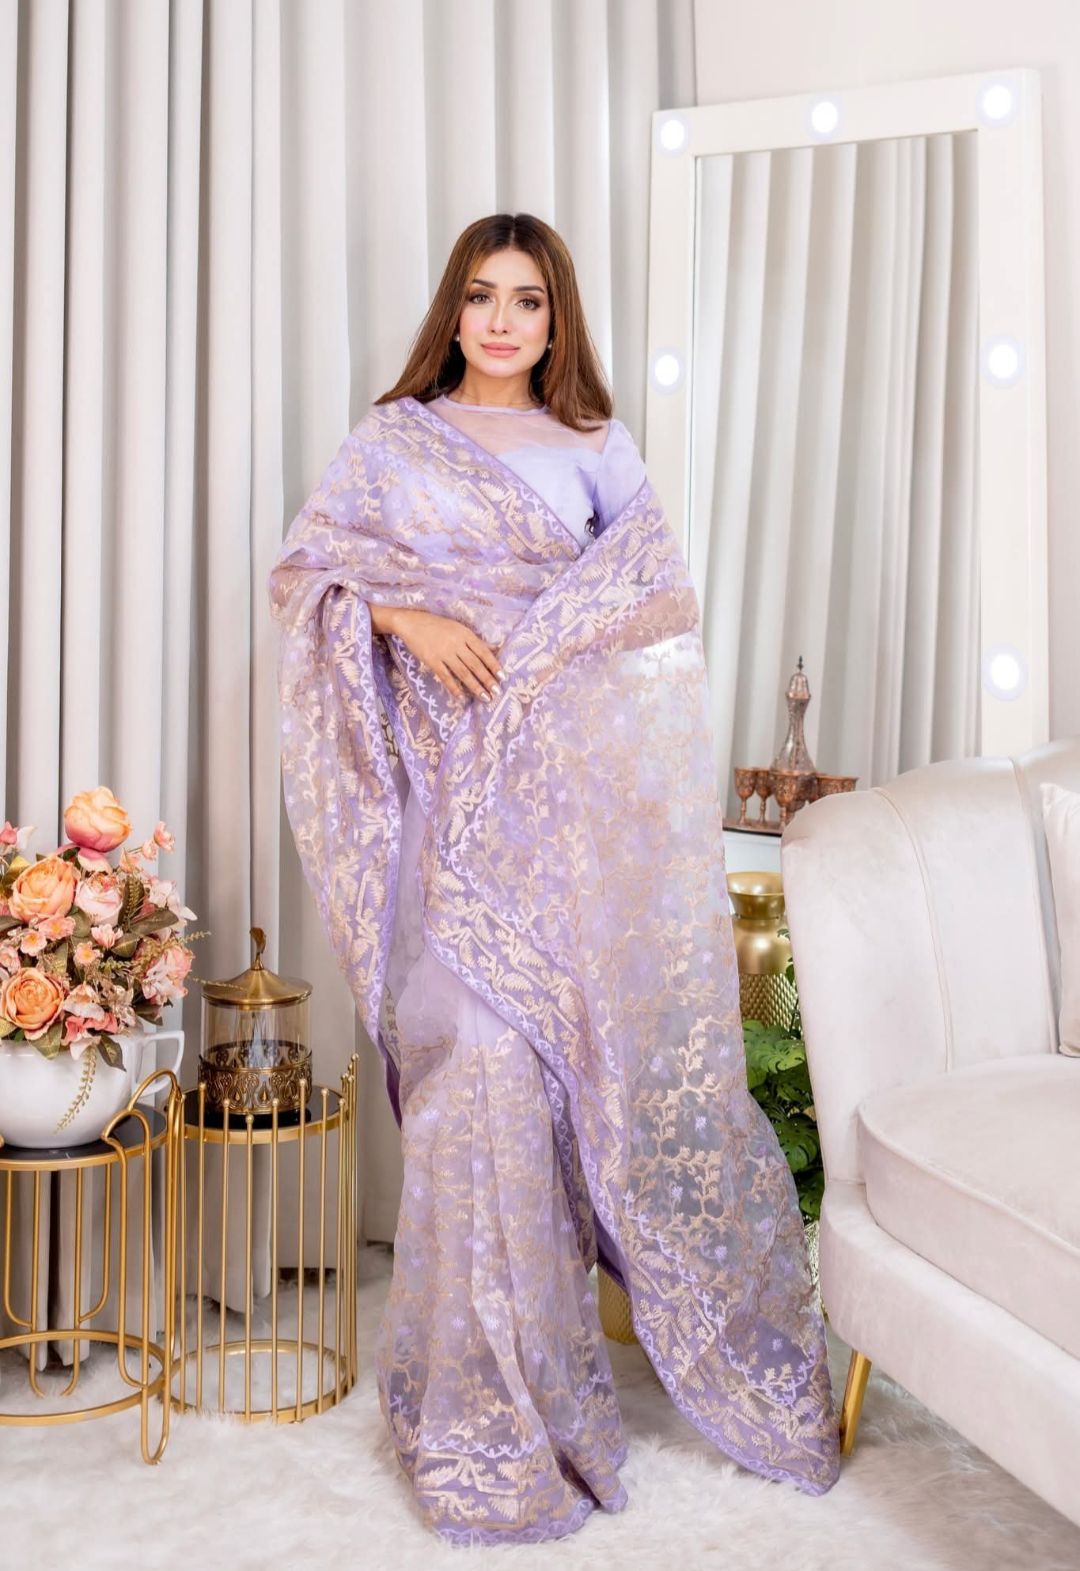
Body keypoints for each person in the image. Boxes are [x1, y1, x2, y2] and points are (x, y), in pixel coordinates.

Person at [267, 212, 839, 1547]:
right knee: (473, 1073)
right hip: (444, 829)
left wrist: (539, 663)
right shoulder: (393, 441)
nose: (503, 321)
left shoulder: (598, 448)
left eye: (527, 300)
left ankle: (554, 1391)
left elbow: (654, 625)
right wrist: (402, 614)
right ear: (453, 309)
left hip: (564, 836)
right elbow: (305, 579)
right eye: (482, 296)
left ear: (556, 317)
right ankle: (469, 1403)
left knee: (545, 1088)